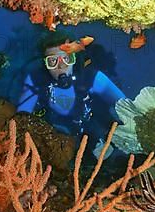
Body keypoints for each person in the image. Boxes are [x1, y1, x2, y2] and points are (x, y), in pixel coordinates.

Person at [16, 31, 126, 160]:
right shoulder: (36, 81)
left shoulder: (93, 78)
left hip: (92, 134)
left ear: (74, 59)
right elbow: (22, 119)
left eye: (66, 59)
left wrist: (112, 141)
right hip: (54, 141)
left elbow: (127, 109)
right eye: (52, 61)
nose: (61, 67)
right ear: (45, 65)